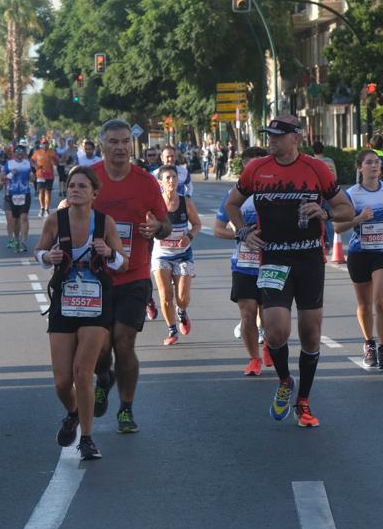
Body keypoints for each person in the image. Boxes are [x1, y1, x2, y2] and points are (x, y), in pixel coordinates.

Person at [225, 115, 353, 428]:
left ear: (296, 137)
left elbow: (345, 209)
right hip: (273, 258)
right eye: (269, 135)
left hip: (309, 259)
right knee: (275, 328)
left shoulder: (316, 169)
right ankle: (285, 380)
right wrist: (243, 232)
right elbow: (232, 205)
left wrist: (324, 212)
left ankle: (304, 401)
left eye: (278, 136)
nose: (271, 140)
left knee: (310, 333)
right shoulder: (256, 168)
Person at [36, 165, 128, 460]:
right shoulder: (55, 220)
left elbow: (122, 263)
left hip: (96, 303)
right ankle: (73, 412)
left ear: (94, 194)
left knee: (82, 372)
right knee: (62, 381)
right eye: (71, 185)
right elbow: (38, 252)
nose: (75, 190)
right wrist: (46, 256)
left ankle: (86, 438)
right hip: (64, 301)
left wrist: (109, 253)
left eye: (82, 186)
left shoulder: (104, 223)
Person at [90, 119, 171, 433]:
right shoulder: (89, 177)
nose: (121, 147)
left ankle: (125, 407)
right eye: (114, 141)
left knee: (124, 342)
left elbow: (165, 224)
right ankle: (103, 377)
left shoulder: (145, 181)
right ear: (103, 145)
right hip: (96, 276)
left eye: (125, 141)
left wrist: (156, 229)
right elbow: (72, 211)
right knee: (99, 347)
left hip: (134, 274)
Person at [334, 149, 383, 369]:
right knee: (364, 303)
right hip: (359, 252)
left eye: (377, 163)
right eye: (369, 162)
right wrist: (359, 218)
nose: (374, 166)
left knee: (380, 301)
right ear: (360, 167)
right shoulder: (351, 194)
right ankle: (368, 343)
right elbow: (337, 226)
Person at [214, 146, 271, 376]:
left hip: (270, 263)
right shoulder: (233, 197)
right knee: (248, 314)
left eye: (261, 164)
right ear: (245, 167)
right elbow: (218, 229)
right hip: (243, 264)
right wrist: (240, 234)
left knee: (269, 315)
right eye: (252, 164)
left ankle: (269, 345)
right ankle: (254, 359)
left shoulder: (275, 192)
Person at [151, 165, 201, 345]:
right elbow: (146, 225)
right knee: (165, 296)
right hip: (161, 255)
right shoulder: (154, 203)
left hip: (183, 255)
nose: (171, 181)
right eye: (167, 178)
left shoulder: (186, 202)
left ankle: (182, 312)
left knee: (182, 298)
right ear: (161, 182)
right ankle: (172, 329)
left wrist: (188, 237)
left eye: (174, 177)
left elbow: (197, 225)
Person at [3, 144, 34, 252]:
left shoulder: (27, 164)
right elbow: (2, 178)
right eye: (17, 153)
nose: (19, 155)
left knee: (24, 218)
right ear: (14, 154)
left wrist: (32, 177)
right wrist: (10, 174)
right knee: (15, 220)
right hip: (12, 194)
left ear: (24, 154)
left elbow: (32, 178)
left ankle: (24, 240)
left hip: (25, 193)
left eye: (21, 154)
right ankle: (16, 239)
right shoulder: (9, 164)